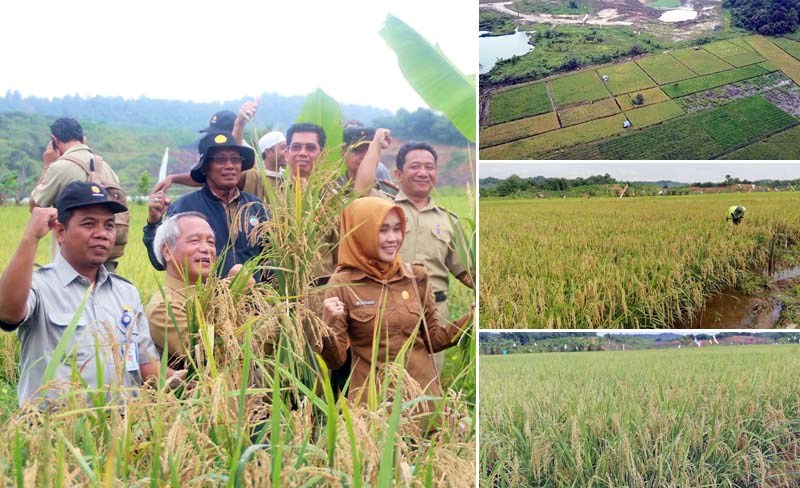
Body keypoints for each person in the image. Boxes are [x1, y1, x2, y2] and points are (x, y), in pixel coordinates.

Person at [0, 181, 182, 406]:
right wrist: (30, 238)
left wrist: (191, 382)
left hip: (122, 432)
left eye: (109, 225)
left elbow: (144, 365)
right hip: (55, 432)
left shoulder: (126, 292)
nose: (102, 234)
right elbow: (7, 311)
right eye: (89, 224)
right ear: (60, 231)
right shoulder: (39, 286)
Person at [320, 197, 471, 408]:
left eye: (397, 229)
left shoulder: (414, 276)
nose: (393, 238)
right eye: (383, 230)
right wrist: (326, 326)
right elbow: (336, 361)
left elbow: (434, 339)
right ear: (361, 233)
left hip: (423, 403)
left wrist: (471, 319)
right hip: (374, 408)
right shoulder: (342, 284)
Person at [372, 141, 475, 372]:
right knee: (384, 376)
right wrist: (377, 143)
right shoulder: (382, 207)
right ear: (398, 174)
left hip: (434, 311)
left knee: (429, 378)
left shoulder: (449, 220)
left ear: (436, 173)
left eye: (429, 167)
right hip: (388, 306)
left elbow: (464, 271)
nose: (423, 172)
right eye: (415, 166)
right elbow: (361, 186)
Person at [143, 131, 268, 279]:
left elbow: (269, 260)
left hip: (252, 299)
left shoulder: (255, 206)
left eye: (235, 159)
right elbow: (161, 261)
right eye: (220, 159)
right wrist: (154, 223)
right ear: (204, 167)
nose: (230, 166)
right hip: (203, 300)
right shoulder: (184, 208)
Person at [146, 211, 254, 368]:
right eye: (195, 241)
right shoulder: (164, 307)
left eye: (210, 242)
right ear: (167, 251)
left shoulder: (212, 297)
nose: (206, 249)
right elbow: (211, 354)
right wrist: (235, 294)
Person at [29, 117, 129, 271]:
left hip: (71, 266)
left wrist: (47, 165)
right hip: (105, 263)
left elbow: (35, 206)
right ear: (84, 139)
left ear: (54, 140)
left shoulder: (60, 167)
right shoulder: (107, 169)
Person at [339, 126, 397, 196]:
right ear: (343, 153)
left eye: (370, 151)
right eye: (358, 150)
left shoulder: (390, 191)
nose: (365, 157)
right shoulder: (329, 189)